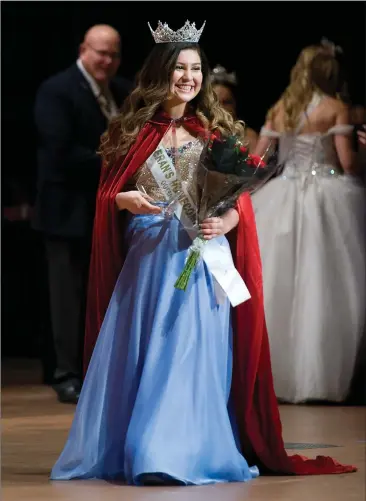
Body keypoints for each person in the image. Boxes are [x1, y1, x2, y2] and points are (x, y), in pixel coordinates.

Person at [50, 22, 355, 485]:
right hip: (149, 262)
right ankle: (141, 445)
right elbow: (108, 192)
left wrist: (226, 222)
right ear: (160, 73)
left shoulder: (214, 130)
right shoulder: (131, 131)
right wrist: (122, 200)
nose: (189, 78)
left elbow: (238, 202)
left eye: (196, 69)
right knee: (149, 355)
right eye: (180, 68)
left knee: (190, 355)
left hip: (198, 259)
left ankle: (173, 452)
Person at [251, 40, 366, 403]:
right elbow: (347, 164)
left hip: (281, 195)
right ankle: (317, 379)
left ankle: (274, 377)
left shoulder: (279, 109)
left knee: (277, 284)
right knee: (324, 285)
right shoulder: (337, 109)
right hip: (326, 197)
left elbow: (256, 162)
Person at [33, 24, 132, 404]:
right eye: (101, 53)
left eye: (114, 54)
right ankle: (66, 373)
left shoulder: (122, 91)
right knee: (66, 295)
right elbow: (59, 153)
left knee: (100, 291)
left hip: (107, 211)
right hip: (66, 210)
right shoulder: (56, 90)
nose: (107, 61)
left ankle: (96, 368)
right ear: (83, 49)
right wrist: (118, 162)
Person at [211, 64, 258, 152]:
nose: (221, 108)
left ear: (235, 104)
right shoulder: (198, 134)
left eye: (226, 102)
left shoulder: (249, 137)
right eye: (216, 103)